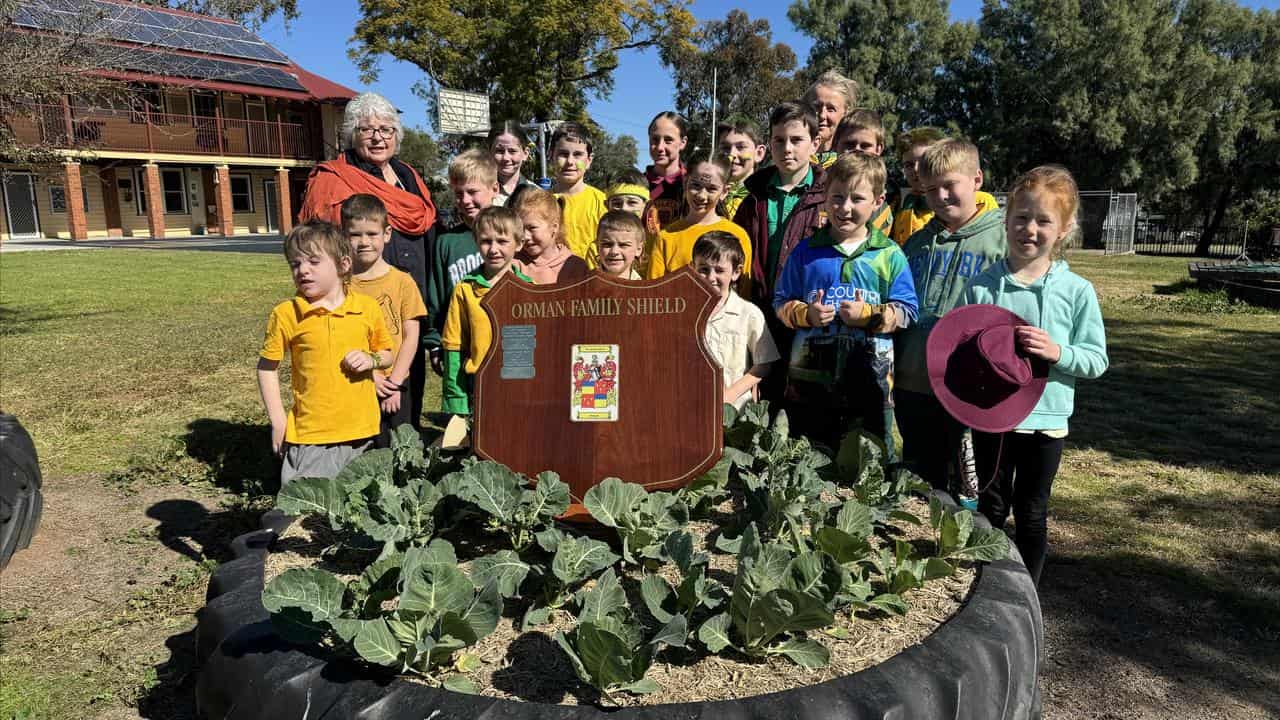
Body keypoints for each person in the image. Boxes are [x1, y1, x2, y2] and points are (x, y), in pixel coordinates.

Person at [949, 165, 1108, 585]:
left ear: (1065, 228)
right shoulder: (981, 287)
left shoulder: (1077, 292)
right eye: (1021, 218)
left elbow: (1096, 359)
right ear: (1006, 219)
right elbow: (960, 352)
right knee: (991, 508)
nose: (1029, 229)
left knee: (1032, 513)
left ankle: (1027, 594)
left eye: (1043, 221)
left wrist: (1058, 352)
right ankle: (986, 587)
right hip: (993, 420)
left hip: (1046, 423)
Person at [773, 153, 917, 472]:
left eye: (857, 198)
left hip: (871, 382)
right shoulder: (806, 252)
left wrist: (870, 315)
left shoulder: (888, 254)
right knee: (809, 459)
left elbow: (908, 310)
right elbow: (780, 302)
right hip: (809, 381)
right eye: (837, 197)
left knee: (868, 463)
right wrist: (806, 315)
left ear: (878, 201)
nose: (845, 207)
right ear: (825, 198)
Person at [299, 92, 436, 426]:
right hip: (359, 302)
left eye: (387, 129)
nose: (378, 137)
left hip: (407, 300)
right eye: (367, 129)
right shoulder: (333, 179)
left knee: (408, 385)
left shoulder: (408, 175)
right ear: (351, 134)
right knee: (364, 392)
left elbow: (427, 223)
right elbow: (316, 245)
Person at [894, 138, 1006, 492]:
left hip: (965, 383)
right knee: (921, 478)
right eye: (930, 190)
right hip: (913, 377)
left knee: (966, 483)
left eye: (949, 185)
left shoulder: (1001, 241)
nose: (940, 197)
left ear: (977, 179)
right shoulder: (915, 243)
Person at [257, 221, 392, 488]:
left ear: (343, 265)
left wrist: (371, 360)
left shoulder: (366, 308)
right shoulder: (286, 314)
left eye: (313, 262)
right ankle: (273, 530)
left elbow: (387, 354)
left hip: (362, 431)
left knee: (355, 513)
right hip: (312, 435)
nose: (302, 270)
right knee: (303, 512)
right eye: (295, 264)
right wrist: (278, 421)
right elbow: (266, 368)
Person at [343, 194, 428, 443]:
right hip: (355, 380)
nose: (364, 242)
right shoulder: (339, 283)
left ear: (387, 234)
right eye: (355, 234)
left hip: (397, 382)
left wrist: (395, 383)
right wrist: (372, 377)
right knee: (360, 445)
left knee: (398, 446)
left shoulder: (402, 282)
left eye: (372, 233)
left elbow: (411, 336)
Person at [732, 101, 829, 306]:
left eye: (796, 140)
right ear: (769, 143)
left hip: (809, 312)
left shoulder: (830, 200)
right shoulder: (753, 200)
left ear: (815, 143)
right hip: (759, 310)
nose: (787, 148)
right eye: (779, 140)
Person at [440, 207, 534, 416]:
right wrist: (457, 400)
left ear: (519, 243)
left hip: (520, 385)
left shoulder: (530, 290)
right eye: (485, 241)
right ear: (476, 242)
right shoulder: (465, 290)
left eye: (502, 241)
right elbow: (453, 346)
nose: (493, 249)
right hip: (480, 386)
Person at [423, 149, 498, 385]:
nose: (465, 201)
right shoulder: (447, 242)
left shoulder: (509, 236)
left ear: (494, 189)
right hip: (458, 346)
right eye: (458, 194)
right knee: (460, 411)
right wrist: (435, 343)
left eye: (472, 192)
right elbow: (436, 298)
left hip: (500, 342)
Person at [693, 231, 780, 410]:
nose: (710, 277)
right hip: (692, 406)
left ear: (736, 272)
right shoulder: (684, 311)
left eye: (719, 270)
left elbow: (764, 363)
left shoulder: (748, 313)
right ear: (692, 268)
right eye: (703, 269)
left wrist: (730, 394)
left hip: (735, 409)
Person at [647, 158, 752, 300]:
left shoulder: (737, 235)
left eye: (711, 189)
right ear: (685, 183)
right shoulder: (667, 237)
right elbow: (655, 293)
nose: (701, 195)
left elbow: (744, 291)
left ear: (724, 192)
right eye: (695, 185)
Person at [889, 127, 1000, 246]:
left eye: (924, 161)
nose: (917, 169)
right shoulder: (899, 205)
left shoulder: (981, 202)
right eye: (909, 165)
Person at [549, 123, 607, 265]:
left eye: (577, 155)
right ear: (551, 156)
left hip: (592, 281)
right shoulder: (540, 202)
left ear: (589, 160)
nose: (570, 161)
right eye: (563, 154)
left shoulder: (603, 203)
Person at [512, 188, 590, 284]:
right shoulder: (513, 264)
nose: (525, 236)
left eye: (532, 228)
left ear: (554, 227)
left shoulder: (576, 266)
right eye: (520, 229)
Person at [833, 110, 893, 235]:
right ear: (836, 145)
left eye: (865, 146)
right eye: (849, 144)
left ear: (878, 148)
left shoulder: (893, 197)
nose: (857, 151)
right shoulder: (817, 187)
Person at [644, 111, 690, 233]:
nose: (660, 147)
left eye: (668, 140)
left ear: (683, 143)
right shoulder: (638, 185)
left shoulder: (692, 184)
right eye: (655, 139)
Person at [804, 70, 857, 169]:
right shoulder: (789, 159)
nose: (822, 115)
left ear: (845, 114)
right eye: (817, 107)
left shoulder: (851, 165)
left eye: (831, 109)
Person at [717, 117, 767, 221]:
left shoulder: (766, 197)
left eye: (741, 147)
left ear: (759, 153)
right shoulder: (706, 193)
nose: (731, 154)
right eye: (725, 148)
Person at [489, 120, 537, 207]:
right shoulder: (478, 192)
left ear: (525, 154)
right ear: (489, 152)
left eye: (512, 151)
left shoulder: (537, 194)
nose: (506, 158)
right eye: (499, 151)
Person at [596, 210, 646, 279]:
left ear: (639, 249)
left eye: (623, 245)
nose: (614, 251)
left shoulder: (643, 287)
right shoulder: (584, 285)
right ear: (597, 246)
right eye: (607, 244)